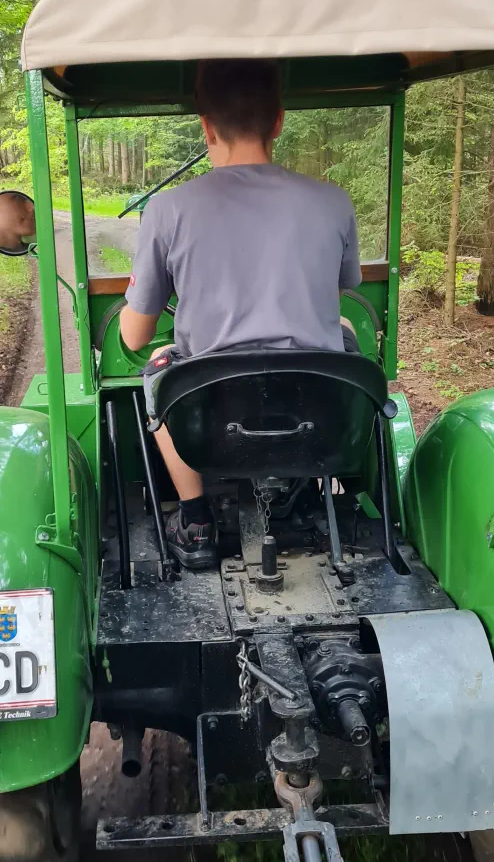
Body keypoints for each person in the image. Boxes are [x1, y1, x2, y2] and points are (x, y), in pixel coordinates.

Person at [119, 58, 361, 570]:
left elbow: (136, 334)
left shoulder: (167, 210)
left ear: (206, 126)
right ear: (278, 121)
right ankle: (311, 486)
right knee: (343, 334)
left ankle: (196, 517)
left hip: (214, 403)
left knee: (159, 365)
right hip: (312, 393)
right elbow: (334, 293)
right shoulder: (333, 201)